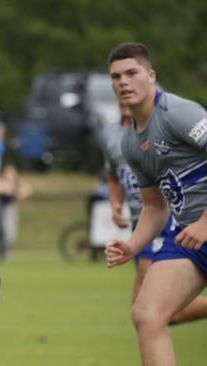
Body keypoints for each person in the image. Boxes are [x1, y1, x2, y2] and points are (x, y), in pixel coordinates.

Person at [104, 42, 207, 366]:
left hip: (202, 227)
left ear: (151, 76)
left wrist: (205, 222)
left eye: (132, 73)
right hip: (189, 237)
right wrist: (131, 246)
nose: (123, 82)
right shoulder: (130, 142)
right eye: (116, 76)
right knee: (147, 315)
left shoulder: (177, 112)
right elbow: (154, 207)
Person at [101, 99, 207, 324]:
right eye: (117, 83)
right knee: (161, 314)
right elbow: (113, 176)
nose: (123, 95)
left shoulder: (163, 125)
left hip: (164, 222)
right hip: (140, 224)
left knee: (146, 307)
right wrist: (115, 204)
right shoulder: (111, 136)